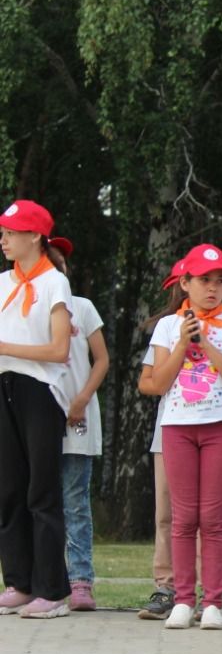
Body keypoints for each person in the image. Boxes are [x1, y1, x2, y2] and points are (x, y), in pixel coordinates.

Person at [149, 244, 222, 629]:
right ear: (185, 283)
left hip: (220, 426)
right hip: (177, 426)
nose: (213, 288)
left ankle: (212, 602)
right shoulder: (166, 326)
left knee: (211, 516)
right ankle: (182, 600)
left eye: (220, 280)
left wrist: (206, 343)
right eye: (204, 280)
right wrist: (182, 343)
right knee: (182, 517)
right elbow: (158, 383)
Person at [0, 200, 73, 619]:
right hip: (5, 384)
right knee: (9, 487)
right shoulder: (4, 281)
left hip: (40, 390)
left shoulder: (53, 284)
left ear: (34, 236)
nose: (4, 240)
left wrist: (8, 348)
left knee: (41, 491)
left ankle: (52, 590)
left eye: (12, 232)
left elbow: (59, 349)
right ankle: (19, 581)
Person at [48, 237, 110, 613]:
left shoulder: (82, 308)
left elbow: (101, 359)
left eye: (59, 267)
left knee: (75, 503)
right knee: (40, 501)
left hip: (79, 417)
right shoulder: (24, 309)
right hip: (38, 416)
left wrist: (83, 397)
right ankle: (46, 579)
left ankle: (81, 580)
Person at [136, 258, 186, 620]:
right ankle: (166, 587)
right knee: (166, 515)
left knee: (201, 517)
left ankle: (199, 590)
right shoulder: (166, 329)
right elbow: (149, 383)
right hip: (168, 432)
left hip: (208, 430)